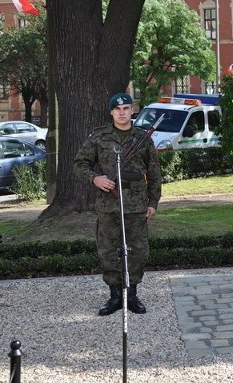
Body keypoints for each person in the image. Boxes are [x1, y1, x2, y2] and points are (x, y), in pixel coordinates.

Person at [73, 93, 162, 316]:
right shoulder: (99, 137)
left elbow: (154, 174)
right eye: (117, 109)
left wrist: (153, 202)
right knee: (108, 250)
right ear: (111, 112)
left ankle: (131, 295)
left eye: (126, 108)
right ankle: (115, 296)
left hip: (137, 205)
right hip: (108, 204)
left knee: (139, 250)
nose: (122, 113)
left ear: (132, 111)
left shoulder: (143, 138)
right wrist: (95, 178)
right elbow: (80, 164)